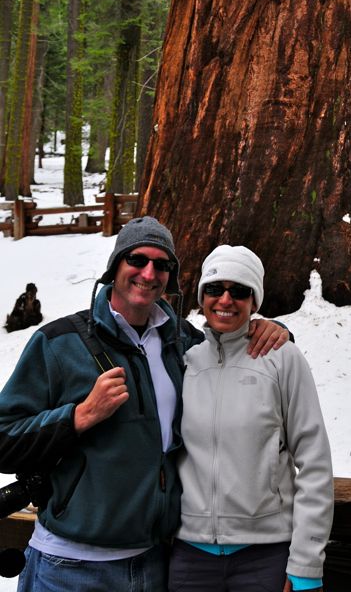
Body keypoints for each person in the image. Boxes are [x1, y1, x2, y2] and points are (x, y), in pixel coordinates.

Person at [0, 216, 288, 592]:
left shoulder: (184, 342)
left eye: (162, 264)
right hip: (69, 567)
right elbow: (4, 440)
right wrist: (80, 415)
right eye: (137, 259)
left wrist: (274, 330)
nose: (149, 273)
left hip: (152, 565)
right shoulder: (59, 343)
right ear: (115, 266)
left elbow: (236, 348)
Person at [169, 245, 333, 592]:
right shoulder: (184, 362)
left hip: (265, 557)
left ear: (254, 301)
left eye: (239, 291)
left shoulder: (282, 358)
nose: (225, 300)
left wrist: (306, 564)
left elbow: (314, 462)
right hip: (190, 560)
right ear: (202, 296)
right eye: (215, 289)